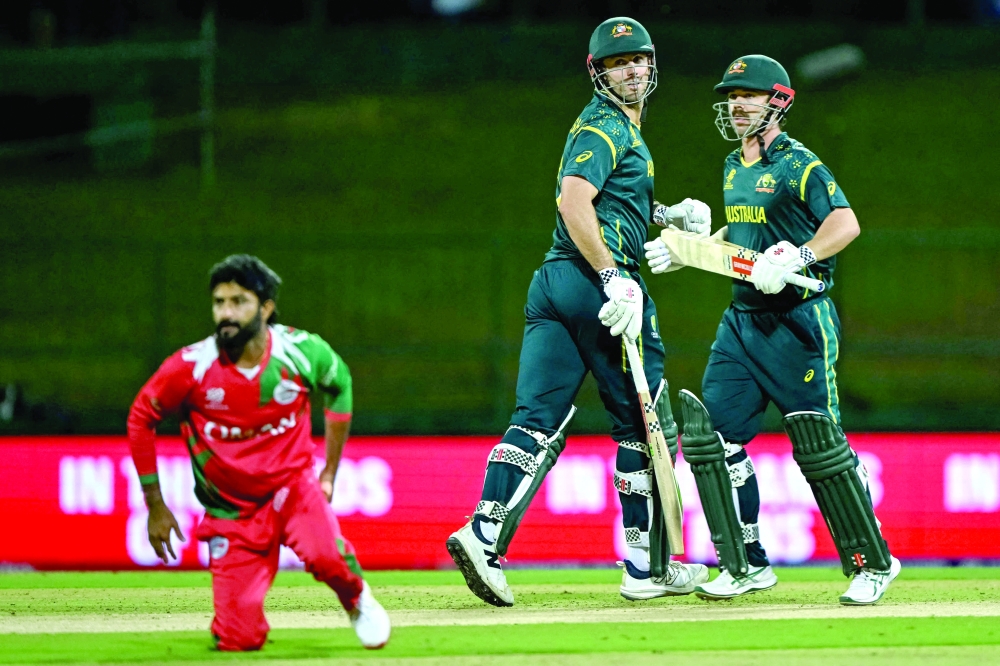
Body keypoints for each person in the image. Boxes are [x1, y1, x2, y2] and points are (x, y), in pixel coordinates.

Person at [445, 17, 711, 607]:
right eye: (618, 63)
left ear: (651, 64)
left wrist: (665, 215)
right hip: (598, 286)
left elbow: (607, 197)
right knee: (645, 426)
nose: (631, 70)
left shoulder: (609, 129)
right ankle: (645, 567)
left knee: (535, 419)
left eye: (638, 59)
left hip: (553, 285)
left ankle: (482, 535)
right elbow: (574, 200)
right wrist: (614, 276)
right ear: (598, 73)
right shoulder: (606, 125)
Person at [644, 55, 900, 605]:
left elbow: (845, 223)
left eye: (749, 95)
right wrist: (691, 250)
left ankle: (872, 562)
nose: (737, 105)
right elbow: (744, 241)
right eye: (731, 96)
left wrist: (800, 255)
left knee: (819, 447)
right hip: (742, 323)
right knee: (712, 440)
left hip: (799, 323)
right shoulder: (732, 166)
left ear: (778, 102)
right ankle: (745, 565)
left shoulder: (799, 164)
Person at [126, 254, 391, 650]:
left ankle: (356, 600)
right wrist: (155, 504)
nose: (226, 313)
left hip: (292, 490)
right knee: (239, 639)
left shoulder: (301, 351)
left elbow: (340, 385)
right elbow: (141, 416)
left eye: (239, 302)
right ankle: (235, 619)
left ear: (266, 309)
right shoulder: (191, 366)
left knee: (328, 558)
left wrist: (330, 472)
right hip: (231, 512)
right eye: (219, 302)